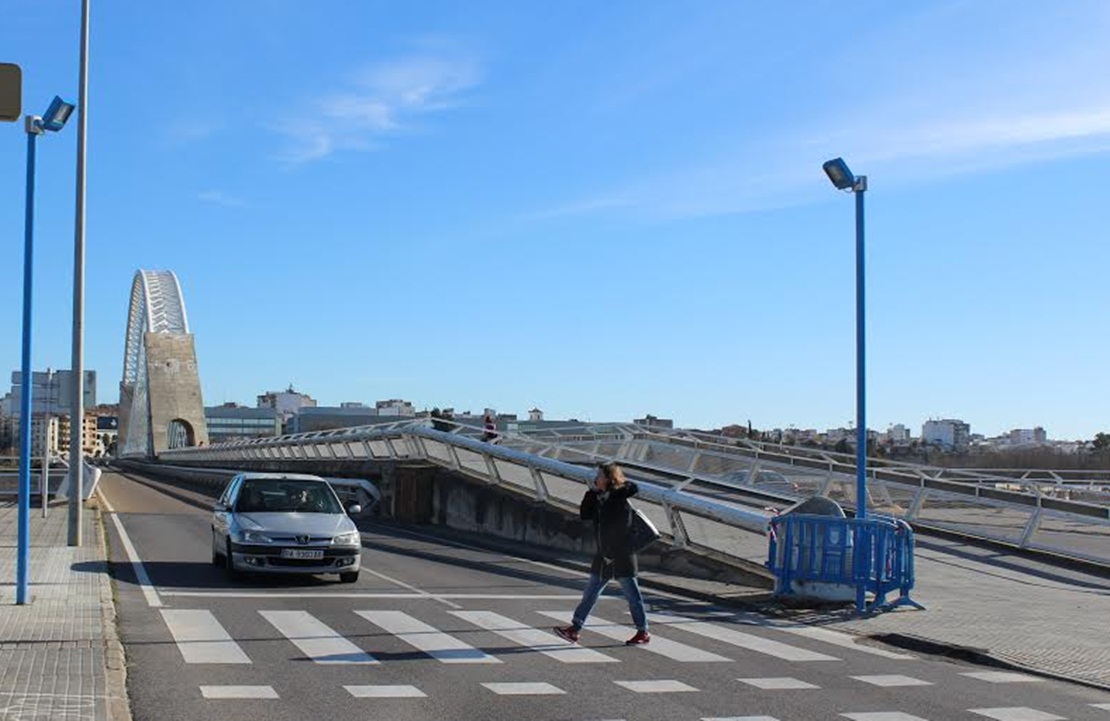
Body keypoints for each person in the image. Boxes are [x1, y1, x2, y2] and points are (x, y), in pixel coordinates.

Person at [554, 461, 650, 645]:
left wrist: (611, 554)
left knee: (632, 596)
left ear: (609, 479)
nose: (596, 479)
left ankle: (643, 632)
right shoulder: (600, 498)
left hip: (620, 556)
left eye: (599, 476)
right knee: (590, 593)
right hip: (604, 555)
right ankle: (574, 629)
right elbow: (585, 515)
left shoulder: (618, 500)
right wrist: (591, 493)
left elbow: (622, 529)